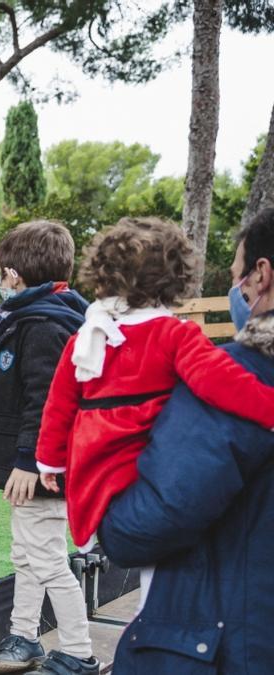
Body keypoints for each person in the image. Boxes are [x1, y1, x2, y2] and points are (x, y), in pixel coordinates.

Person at [34, 218, 274, 611]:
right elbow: (219, 380)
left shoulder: (86, 336)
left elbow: (60, 405)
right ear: (174, 278)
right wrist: (268, 407)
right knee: (161, 577)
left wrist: (50, 461)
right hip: (148, 464)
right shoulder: (174, 334)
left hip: (98, 470)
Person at [97, 207, 274, 673]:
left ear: (262, 275)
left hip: (236, 642)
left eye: (236, 276)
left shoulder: (240, 375)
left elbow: (145, 525)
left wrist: (103, 505)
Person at [0, 221, 97, 675]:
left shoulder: (43, 326)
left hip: (42, 467)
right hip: (39, 466)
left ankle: (78, 651)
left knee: (50, 561)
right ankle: (24, 636)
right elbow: (17, 371)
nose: (0, 279)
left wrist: (28, 462)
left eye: (2, 272)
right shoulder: (43, 316)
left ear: (13, 274)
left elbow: (44, 401)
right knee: (28, 554)